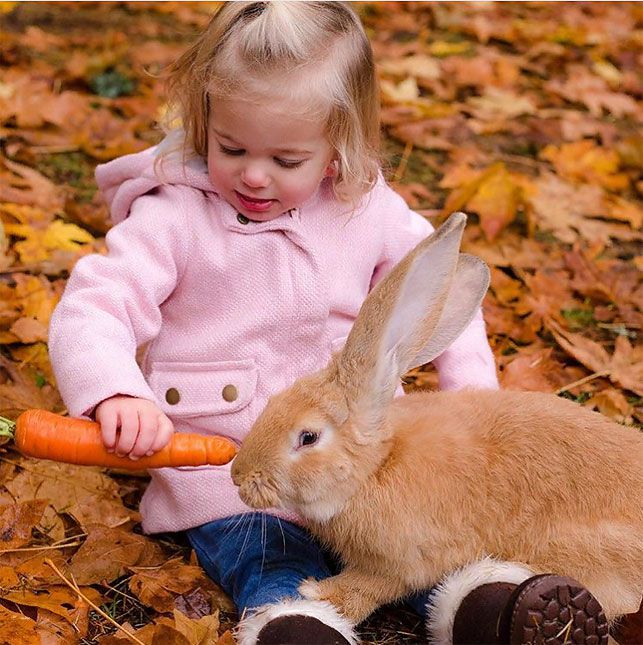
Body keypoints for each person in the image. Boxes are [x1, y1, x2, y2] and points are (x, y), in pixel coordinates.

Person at [48, 3, 548, 643]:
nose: (254, 175)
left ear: (340, 143)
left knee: (417, 544)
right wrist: (115, 388)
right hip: (229, 476)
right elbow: (98, 302)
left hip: (365, 474)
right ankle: (295, 623)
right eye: (231, 148)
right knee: (267, 557)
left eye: (286, 160)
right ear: (205, 123)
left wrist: (471, 398)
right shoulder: (172, 217)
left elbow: (439, 288)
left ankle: (484, 604)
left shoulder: (367, 213)